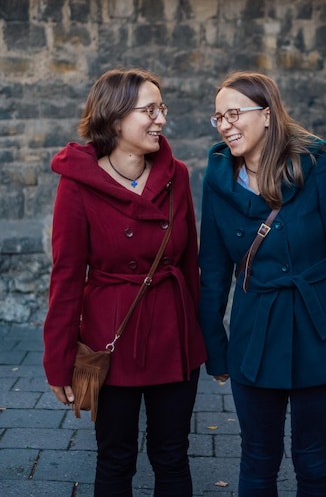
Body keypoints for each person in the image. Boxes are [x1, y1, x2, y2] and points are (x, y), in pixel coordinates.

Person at [198, 71, 326, 497]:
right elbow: (212, 272)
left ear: (266, 115)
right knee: (258, 461)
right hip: (254, 336)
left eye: (234, 113)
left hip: (321, 333)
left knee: (315, 461)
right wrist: (216, 350)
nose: (225, 124)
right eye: (218, 117)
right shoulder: (217, 180)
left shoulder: (319, 169)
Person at [43, 68, 207, 497]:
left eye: (162, 108)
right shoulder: (77, 185)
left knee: (172, 454)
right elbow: (65, 276)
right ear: (115, 119)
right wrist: (58, 359)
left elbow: (190, 265)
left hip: (174, 336)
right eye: (149, 110)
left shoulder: (178, 176)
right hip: (109, 336)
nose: (161, 119)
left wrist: (203, 338)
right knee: (115, 456)